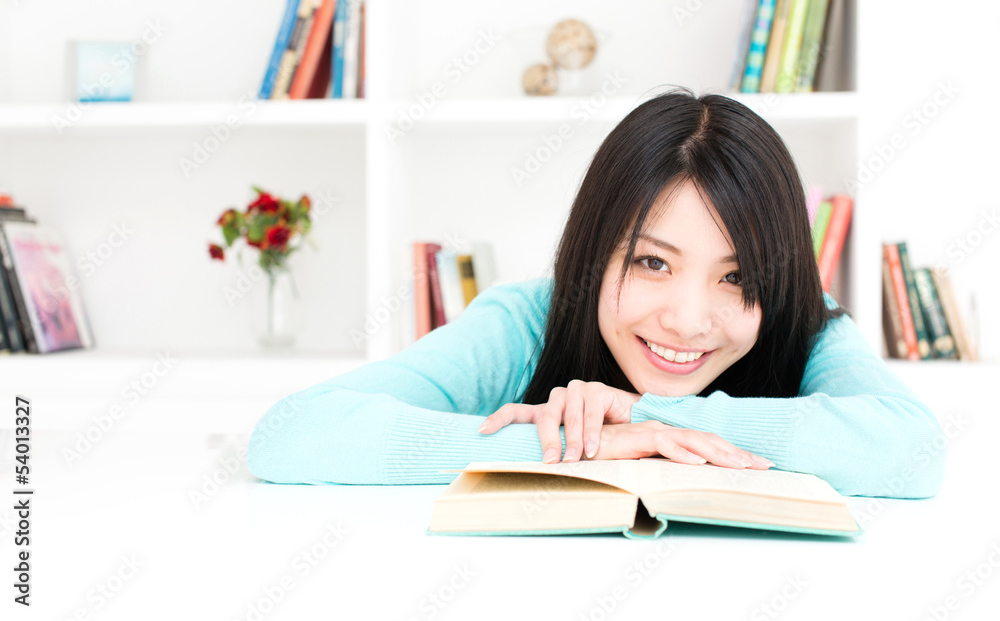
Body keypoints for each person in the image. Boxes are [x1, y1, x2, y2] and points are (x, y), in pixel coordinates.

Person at [247, 89, 945, 498]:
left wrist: (645, 418)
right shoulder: (528, 320)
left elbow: (915, 450)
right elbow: (291, 434)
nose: (688, 319)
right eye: (651, 262)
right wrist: (587, 449)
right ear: (593, 248)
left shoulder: (810, 329)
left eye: (738, 277)